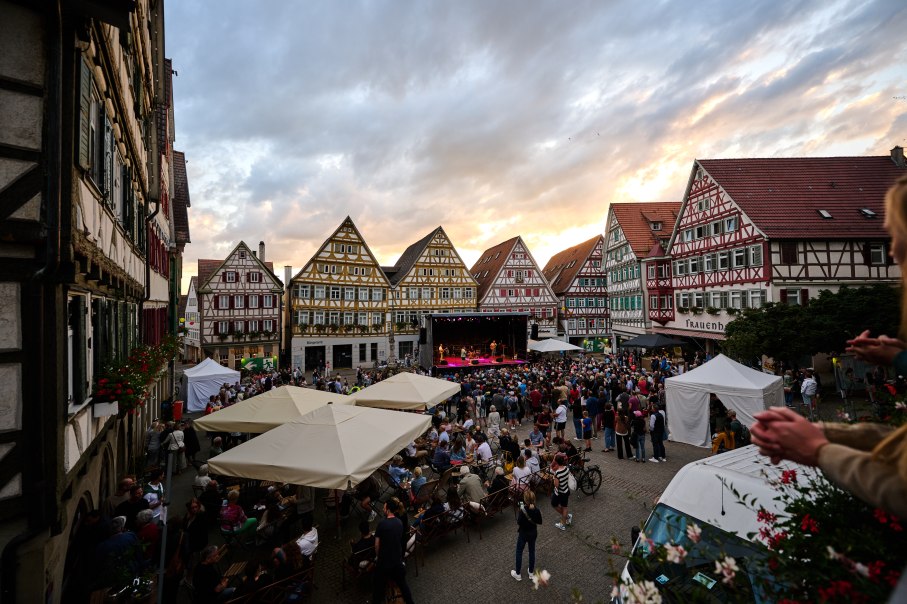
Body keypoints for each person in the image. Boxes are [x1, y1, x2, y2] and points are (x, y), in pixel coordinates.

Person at [371, 500, 415, 604]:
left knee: (377, 587)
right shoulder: (399, 523)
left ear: (388, 510)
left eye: (384, 507)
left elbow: (377, 545)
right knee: (403, 586)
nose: (383, 509)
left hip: (384, 562)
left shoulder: (382, 524)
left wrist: (379, 556)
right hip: (397, 561)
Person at [511, 489, 542, 582]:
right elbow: (540, 522)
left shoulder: (522, 510)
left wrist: (521, 510)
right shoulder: (536, 510)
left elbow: (519, 522)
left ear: (525, 500)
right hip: (533, 532)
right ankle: (531, 573)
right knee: (532, 551)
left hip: (523, 533)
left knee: (519, 551)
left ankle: (518, 574)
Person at [550, 454, 572, 531]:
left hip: (560, 492)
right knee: (564, 507)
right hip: (566, 490)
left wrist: (554, 478)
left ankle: (563, 524)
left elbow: (556, 485)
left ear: (556, 462)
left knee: (554, 504)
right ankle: (566, 517)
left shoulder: (557, 473)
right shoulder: (567, 468)